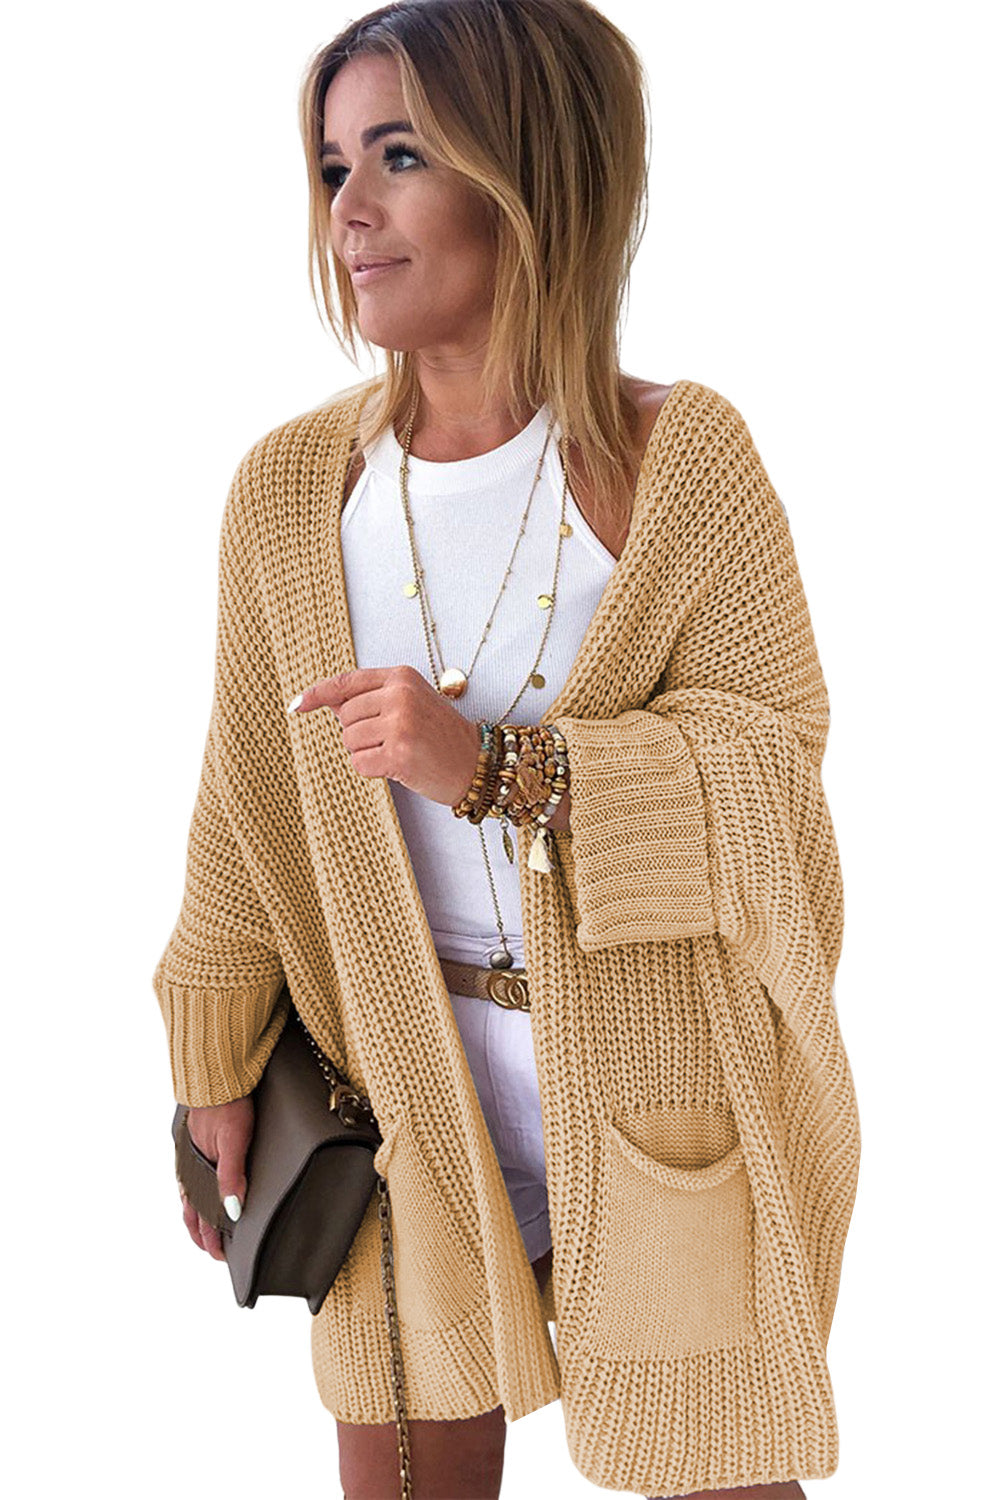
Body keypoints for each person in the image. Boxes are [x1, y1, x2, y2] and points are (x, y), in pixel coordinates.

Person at [153, 3, 861, 1498]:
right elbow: (242, 795)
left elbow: (772, 784)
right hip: (392, 1097)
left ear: (530, 173)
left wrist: (501, 768)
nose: (348, 209)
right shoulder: (291, 491)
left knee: (715, 1467)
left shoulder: (680, 463)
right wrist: (212, 1059)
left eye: (399, 156)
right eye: (332, 165)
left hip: (658, 1085)